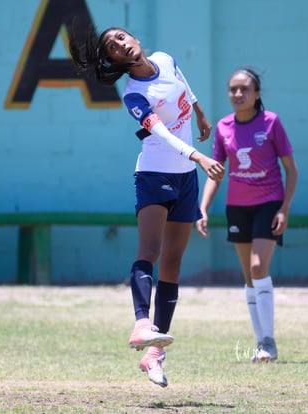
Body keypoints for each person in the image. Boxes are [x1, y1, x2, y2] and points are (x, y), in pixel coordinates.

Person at [69, 25, 224, 387]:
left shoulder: (165, 60)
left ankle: (155, 353)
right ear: (114, 60)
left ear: (135, 39)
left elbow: (183, 81)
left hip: (186, 177)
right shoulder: (134, 95)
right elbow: (162, 134)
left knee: (174, 261)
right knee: (151, 250)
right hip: (155, 173)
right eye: (113, 47)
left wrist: (199, 112)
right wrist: (199, 155)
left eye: (122, 37)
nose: (122, 45)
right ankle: (141, 324)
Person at [196, 67, 297, 363]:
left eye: (244, 89)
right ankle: (261, 343)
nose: (238, 94)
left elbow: (291, 169)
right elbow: (216, 172)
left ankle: (269, 341)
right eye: (233, 89)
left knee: (257, 267)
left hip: (269, 204)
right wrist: (202, 208)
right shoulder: (224, 127)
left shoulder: (271, 122)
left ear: (257, 94)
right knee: (249, 277)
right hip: (237, 208)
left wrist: (284, 209)